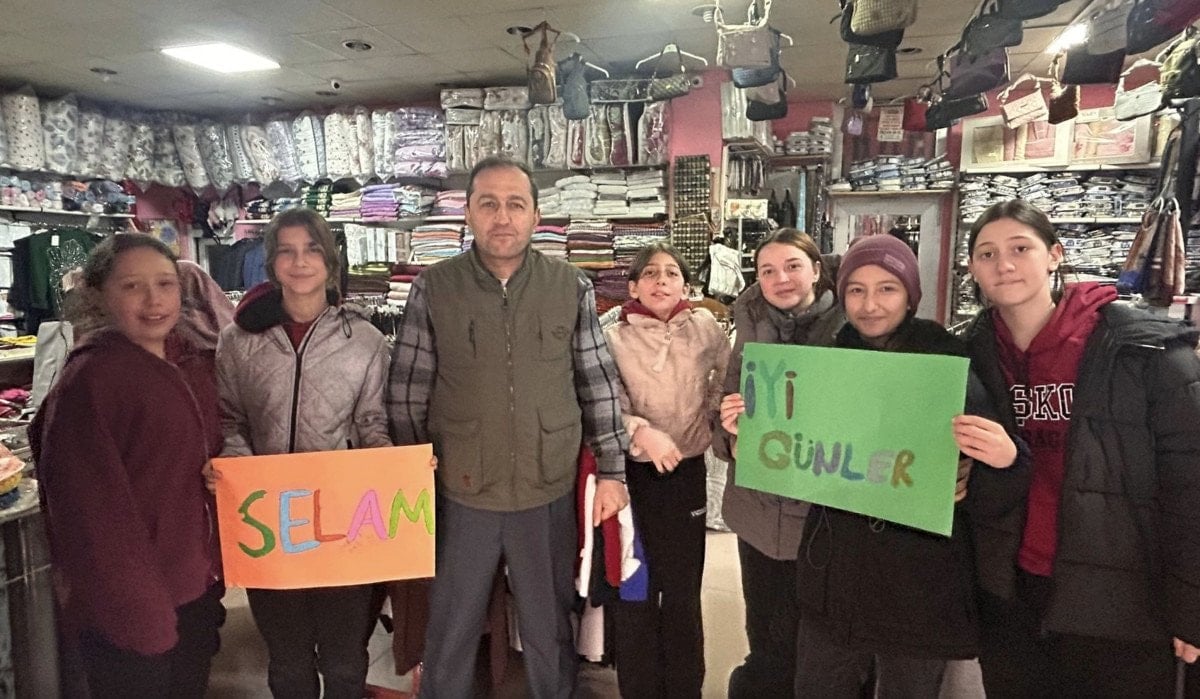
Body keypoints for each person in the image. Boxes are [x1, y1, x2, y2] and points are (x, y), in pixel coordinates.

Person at [387, 154, 629, 698]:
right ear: (468, 213)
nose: (502, 217)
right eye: (489, 204)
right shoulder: (435, 287)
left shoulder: (569, 286)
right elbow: (407, 390)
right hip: (460, 490)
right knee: (450, 627)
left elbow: (597, 382)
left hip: (546, 489)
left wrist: (613, 471)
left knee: (549, 629)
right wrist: (409, 471)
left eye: (515, 204)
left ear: (535, 216)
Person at [963, 199, 1200, 698]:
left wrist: (1191, 606)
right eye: (987, 254)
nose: (1004, 264)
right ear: (972, 269)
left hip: (1118, 602)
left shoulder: (1142, 350)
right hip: (1011, 593)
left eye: (1020, 248)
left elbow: (1189, 482)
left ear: (1055, 255)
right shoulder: (968, 356)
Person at [789, 234, 1017, 698]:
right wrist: (749, 427)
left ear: (911, 297)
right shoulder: (823, 363)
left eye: (887, 289)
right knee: (819, 685)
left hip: (918, 580)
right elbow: (796, 448)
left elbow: (994, 465)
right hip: (835, 571)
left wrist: (982, 467)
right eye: (856, 290)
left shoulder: (949, 364)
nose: (870, 304)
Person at [31, 234, 224, 698]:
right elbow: (88, 516)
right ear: (100, 295)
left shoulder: (187, 364)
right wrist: (140, 616)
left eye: (165, 284)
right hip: (131, 609)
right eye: (132, 286)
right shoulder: (91, 381)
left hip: (191, 587)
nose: (154, 300)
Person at [215, 208, 392, 699]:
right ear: (271, 263)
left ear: (330, 261)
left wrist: (396, 469)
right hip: (269, 525)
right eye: (286, 251)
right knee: (288, 661)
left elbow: (372, 423)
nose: (300, 262)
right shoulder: (237, 341)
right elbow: (230, 420)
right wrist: (242, 474)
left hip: (341, 523)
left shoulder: (365, 341)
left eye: (312, 249)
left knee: (344, 660)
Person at [713, 228, 843, 697]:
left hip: (822, 514)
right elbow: (726, 401)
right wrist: (729, 433)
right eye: (767, 270)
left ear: (816, 270)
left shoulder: (850, 325)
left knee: (815, 637)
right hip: (758, 510)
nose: (780, 278)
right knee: (765, 631)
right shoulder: (749, 323)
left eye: (792, 266)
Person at [603, 242, 730, 697]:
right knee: (636, 587)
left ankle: (684, 688)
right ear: (633, 286)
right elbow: (605, 406)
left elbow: (728, 376)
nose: (662, 281)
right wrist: (641, 433)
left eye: (672, 273)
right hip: (632, 477)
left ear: (685, 284)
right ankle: (639, 688)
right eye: (651, 273)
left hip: (686, 474)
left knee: (682, 592)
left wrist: (709, 417)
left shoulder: (705, 328)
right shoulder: (612, 337)